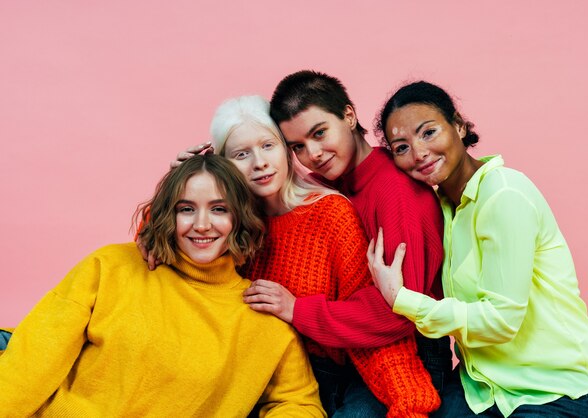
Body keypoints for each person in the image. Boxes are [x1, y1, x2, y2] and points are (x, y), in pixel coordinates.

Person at [168, 95, 441, 417]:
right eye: (241, 154)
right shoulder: (227, 222)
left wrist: (409, 402)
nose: (259, 163)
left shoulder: (329, 212)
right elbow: (168, 254)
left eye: (268, 146)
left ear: (286, 150)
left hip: (334, 377)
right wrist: (180, 183)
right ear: (223, 164)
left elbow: (370, 321)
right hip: (252, 377)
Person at [0, 154, 325, 417]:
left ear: (239, 217)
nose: (201, 225)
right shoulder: (110, 266)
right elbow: (32, 360)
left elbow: (300, 404)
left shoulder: (263, 321)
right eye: (186, 209)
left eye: (218, 209)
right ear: (168, 215)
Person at [368, 80, 588, 417]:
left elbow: (502, 320)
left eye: (428, 133)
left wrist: (401, 299)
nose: (419, 153)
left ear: (458, 125)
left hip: (554, 392)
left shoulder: (503, 194)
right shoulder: (443, 208)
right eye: (401, 147)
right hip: (481, 388)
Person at [266, 70, 453, 392]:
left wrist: (297, 309)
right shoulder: (331, 186)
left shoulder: (396, 192)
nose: (313, 154)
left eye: (320, 133)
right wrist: (196, 172)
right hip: (349, 349)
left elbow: (398, 312)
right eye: (298, 147)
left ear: (349, 116)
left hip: (408, 355)